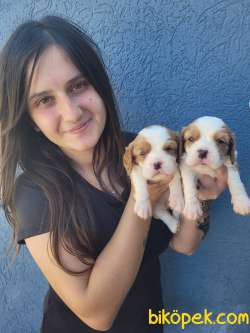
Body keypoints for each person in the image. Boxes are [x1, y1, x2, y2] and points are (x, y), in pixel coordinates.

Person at [0, 15, 227, 333]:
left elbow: (185, 244)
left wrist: (200, 195)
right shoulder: (35, 193)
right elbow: (98, 314)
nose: (72, 111)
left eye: (78, 85)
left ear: (99, 83)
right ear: (31, 118)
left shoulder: (145, 149)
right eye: (45, 100)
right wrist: (142, 196)